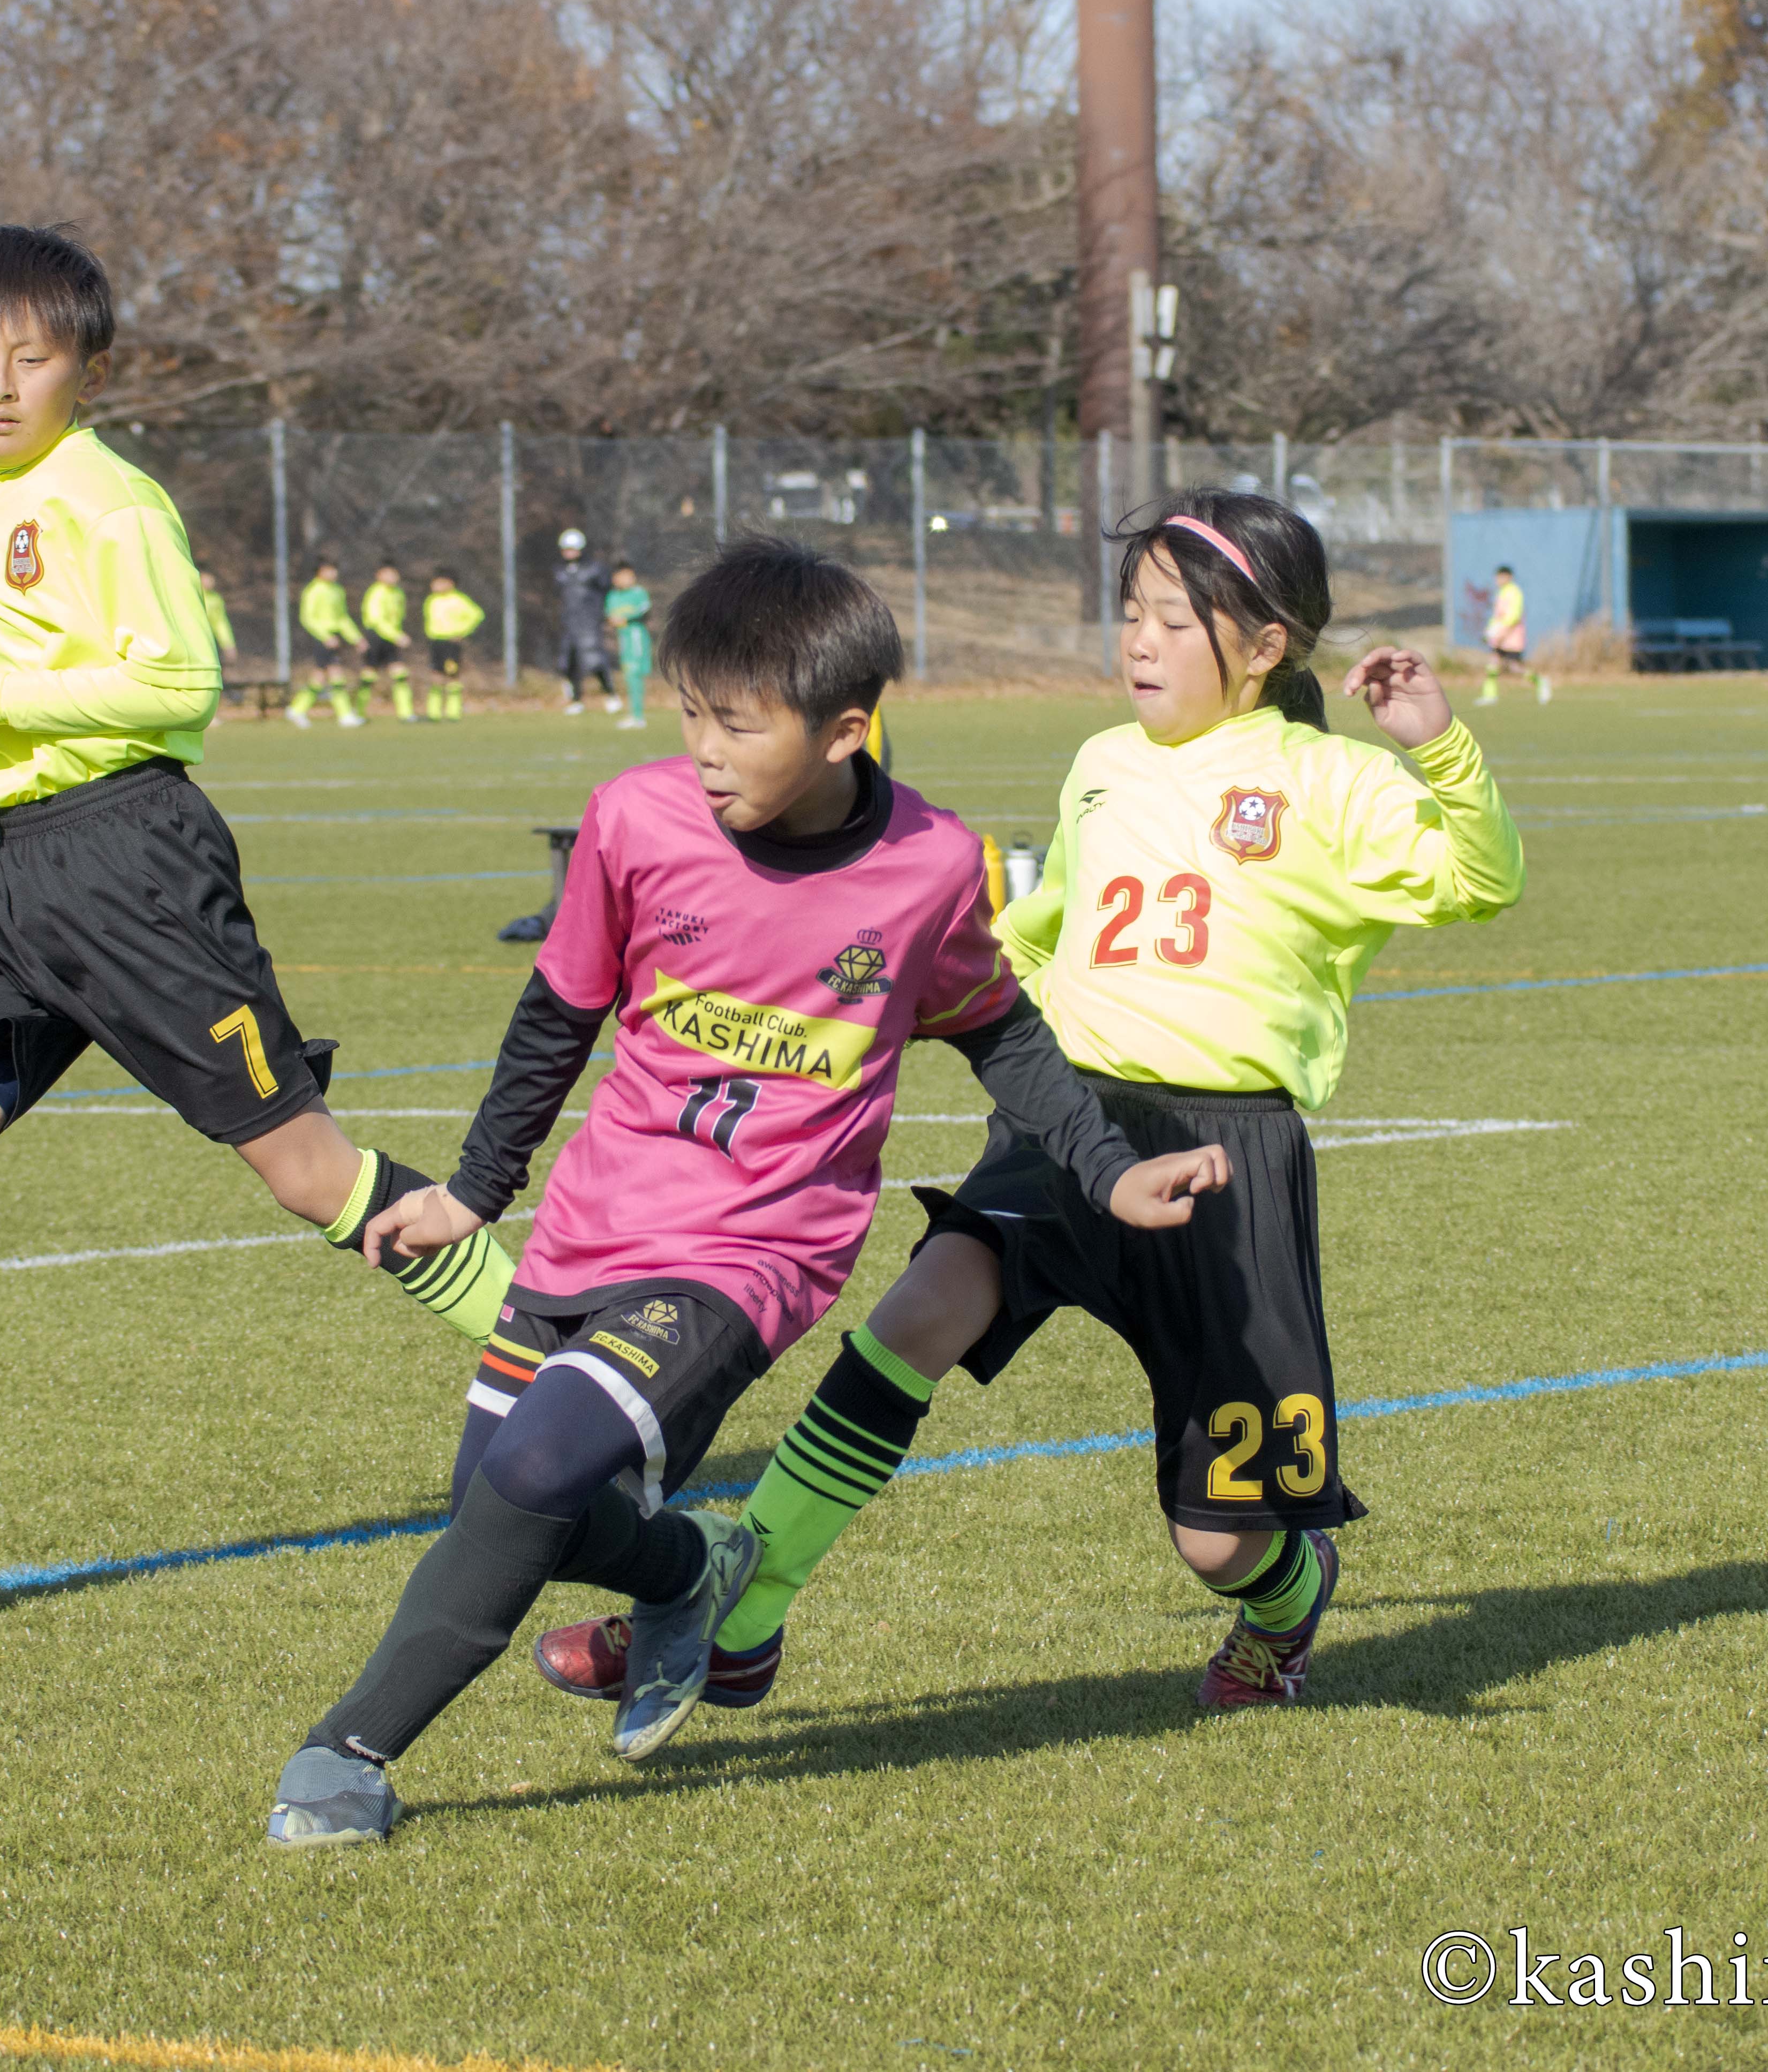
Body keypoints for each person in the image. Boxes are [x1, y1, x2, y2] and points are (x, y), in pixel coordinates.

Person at [265, 536, 1230, 1847]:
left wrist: (1105, 1173)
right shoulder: (631, 820)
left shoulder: (931, 862)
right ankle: (692, 1569)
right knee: (500, 1502)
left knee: (538, 1471)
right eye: (688, 713)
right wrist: (477, 1190)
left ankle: (345, 1754)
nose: (703, 748)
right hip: (593, 1222)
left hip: (752, 1251)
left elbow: (994, 1027)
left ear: (842, 729)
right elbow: (556, 1013)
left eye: (737, 722)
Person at [533, 490, 1523, 1735]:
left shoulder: (1326, 779)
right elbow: (1020, 943)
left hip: (1225, 1163)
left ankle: (1283, 1599)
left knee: (1218, 1537)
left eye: (1173, 617)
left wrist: (1432, 746)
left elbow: (1482, 880)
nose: (1139, 641)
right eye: (1128, 613)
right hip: (1071, 1131)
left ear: (1263, 644)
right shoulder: (1101, 763)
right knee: (914, 1315)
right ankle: (741, 1609)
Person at [0, 226, 523, 1589]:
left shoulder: (107, 499)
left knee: (306, 1173)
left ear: (88, 370)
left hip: (131, 869)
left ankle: (555, 1365)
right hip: (15, 873)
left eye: (32, 358)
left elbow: (175, 685)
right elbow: (44, 681)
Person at [286, 554, 365, 729]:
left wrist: (356, 638)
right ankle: (344, 715)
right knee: (335, 675)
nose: (333, 573)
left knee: (320, 677)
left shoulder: (337, 590)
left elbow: (343, 618)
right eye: (329, 570)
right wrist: (325, 636)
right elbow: (307, 618)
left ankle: (297, 709)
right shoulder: (313, 591)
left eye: (334, 569)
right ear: (319, 572)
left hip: (335, 637)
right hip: (323, 638)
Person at [551, 526, 611, 714]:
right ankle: (576, 700)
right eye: (566, 549)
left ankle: (610, 694)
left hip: (589, 623)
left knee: (594, 661)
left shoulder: (594, 569)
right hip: (569, 623)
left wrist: (603, 613)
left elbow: (606, 592)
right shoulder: (560, 571)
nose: (569, 552)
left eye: (573, 548)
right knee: (569, 663)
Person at [1473, 563, 1546, 706]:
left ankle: (1540, 682)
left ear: (1509, 577)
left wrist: (1503, 633)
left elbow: (1514, 616)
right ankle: (1490, 696)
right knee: (1493, 664)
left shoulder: (1515, 592)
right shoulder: (1501, 593)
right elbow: (1497, 617)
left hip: (1512, 638)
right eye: (1497, 577)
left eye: (1501, 577)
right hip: (1499, 637)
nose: (1498, 580)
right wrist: (1490, 631)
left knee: (1516, 668)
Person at [420, 569, 482, 720]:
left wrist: (462, 631)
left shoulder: (459, 600)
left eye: (440, 582)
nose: (435, 585)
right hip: (436, 643)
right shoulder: (432, 600)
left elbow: (477, 615)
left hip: (451, 643)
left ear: (450, 584)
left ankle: (453, 712)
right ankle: (433, 713)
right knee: (436, 676)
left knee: (452, 675)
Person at [357, 558, 414, 722]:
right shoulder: (376, 593)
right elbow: (377, 621)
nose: (392, 577)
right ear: (379, 575)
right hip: (376, 637)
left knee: (401, 674)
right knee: (369, 675)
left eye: (394, 574)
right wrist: (397, 636)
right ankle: (359, 712)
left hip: (391, 638)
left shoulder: (398, 593)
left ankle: (406, 714)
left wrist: (396, 634)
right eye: (388, 574)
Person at [603, 559, 652, 730]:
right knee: (629, 676)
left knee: (635, 675)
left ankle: (638, 716)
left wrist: (626, 618)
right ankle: (635, 715)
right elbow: (610, 616)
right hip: (623, 640)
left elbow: (645, 610)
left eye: (629, 576)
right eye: (622, 576)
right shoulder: (613, 596)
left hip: (637, 638)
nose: (627, 579)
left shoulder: (639, 592)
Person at [193, 562, 236, 662]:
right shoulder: (192, 593)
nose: (210, 580)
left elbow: (220, 623)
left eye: (211, 577)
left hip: (208, 643)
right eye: (206, 577)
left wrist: (228, 644)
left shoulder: (216, 599)